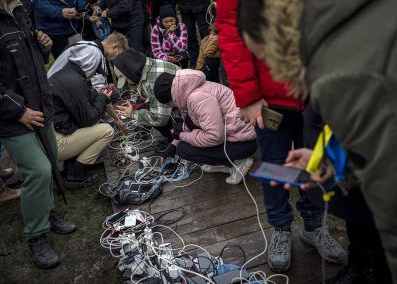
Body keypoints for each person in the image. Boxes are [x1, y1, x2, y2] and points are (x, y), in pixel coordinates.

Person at [237, 0, 397, 282]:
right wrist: (332, 161)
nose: (275, 72)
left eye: (270, 59)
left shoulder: (344, 74)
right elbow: (355, 136)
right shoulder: (345, 33)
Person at [216, 0, 346, 272]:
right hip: (269, 97)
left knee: (314, 163)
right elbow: (231, 30)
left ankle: (314, 226)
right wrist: (248, 95)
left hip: (316, 91)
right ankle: (281, 228)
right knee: (275, 166)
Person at [0, 0, 76, 268]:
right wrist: (18, 111)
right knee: (38, 170)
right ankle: (36, 235)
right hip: (12, 116)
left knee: (52, 160)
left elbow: (28, 61)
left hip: (40, 106)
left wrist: (44, 49)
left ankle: (47, 213)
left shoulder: (19, 11)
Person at [153, 70, 257, 184]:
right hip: (237, 134)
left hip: (244, 142)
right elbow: (189, 124)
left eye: (168, 104)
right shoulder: (189, 90)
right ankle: (224, 163)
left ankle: (237, 162)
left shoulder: (197, 98)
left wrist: (182, 136)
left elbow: (215, 136)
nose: (170, 106)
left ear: (171, 97)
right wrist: (171, 147)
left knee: (184, 150)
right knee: (186, 130)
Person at [48, 44, 114, 189]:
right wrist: (102, 98)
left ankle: (71, 163)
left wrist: (95, 94)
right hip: (56, 144)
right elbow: (89, 119)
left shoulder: (65, 73)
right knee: (107, 130)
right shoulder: (76, 81)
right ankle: (76, 174)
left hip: (52, 134)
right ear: (89, 63)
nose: (95, 74)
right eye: (95, 69)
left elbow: (75, 104)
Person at [47, 32, 129, 134]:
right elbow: (101, 94)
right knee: (111, 93)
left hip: (52, 86)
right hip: (58, 97)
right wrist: (117, 120)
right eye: (118, 55)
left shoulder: (86, 44)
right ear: (114, 47)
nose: (117, 60)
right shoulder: (94, 54)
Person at [113, 48, 180, 151]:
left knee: (152, 116)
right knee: (147, 108)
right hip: (179, 102)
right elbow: (139, 85)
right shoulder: (146, 65)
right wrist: (133, 101)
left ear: (130, 72)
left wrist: (133, 114)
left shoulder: (152, 82)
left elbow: (159, 119)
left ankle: (176, 143)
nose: (126, 83)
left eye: (126, 79)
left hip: (186, 112)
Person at [151, 4, 188, 68]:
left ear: (175, 19)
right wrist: (167, 58)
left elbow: (182, 48)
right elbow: (156, 51)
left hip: (177, 53)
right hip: (163, 55)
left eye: (172, 21)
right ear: (161, 21)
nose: (169, 24)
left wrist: (171, 34)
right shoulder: (155, 29)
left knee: (184, 56)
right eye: (166, 22)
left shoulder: (182, 27)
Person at [175, 0, 210, 69]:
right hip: (184, 7)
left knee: (206, 34)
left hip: (202, 5)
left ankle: (208, 61)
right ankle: (194, 61)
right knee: (189, 35)